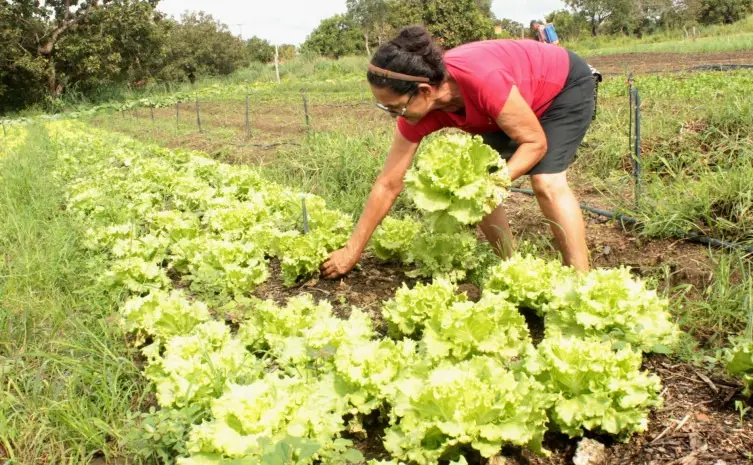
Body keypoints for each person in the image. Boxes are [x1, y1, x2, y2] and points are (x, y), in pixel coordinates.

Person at [320, 26, 595, 280]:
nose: (394, 117)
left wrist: (491, 184)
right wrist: (351, 251)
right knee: (475, 187)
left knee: (546, 181)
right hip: (506, 102)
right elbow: (389, 182)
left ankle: (581, 281)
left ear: (425, 91)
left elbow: (535, 144)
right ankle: (513, 270)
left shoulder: (482, 81)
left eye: (395, 108)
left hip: (560, 86)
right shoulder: (418, 112)